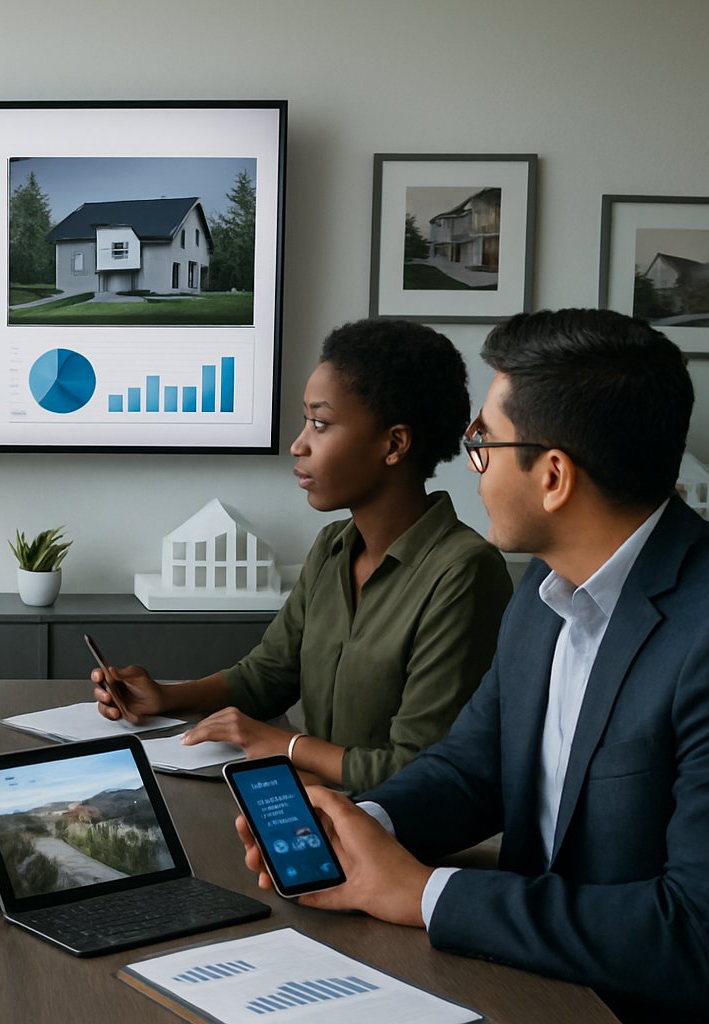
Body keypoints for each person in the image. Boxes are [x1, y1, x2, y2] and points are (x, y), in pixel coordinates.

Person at [236, 309, 709, 1021]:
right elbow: (472, 767)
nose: (471, 465)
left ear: (553, 476)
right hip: (525, 980)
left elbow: (693, 932)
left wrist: (421, 893)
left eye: (482, 444)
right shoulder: (543, 596)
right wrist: (361, 827)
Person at [92, 319, 511, 793]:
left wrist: (285, 745)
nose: (298, 444)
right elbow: (266, 676)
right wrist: (164, 697)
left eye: (320, 423)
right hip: (314, 810)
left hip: (397, 838)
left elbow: (415, 769)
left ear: (393, 444)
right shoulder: (333, 546)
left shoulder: (464, 573)